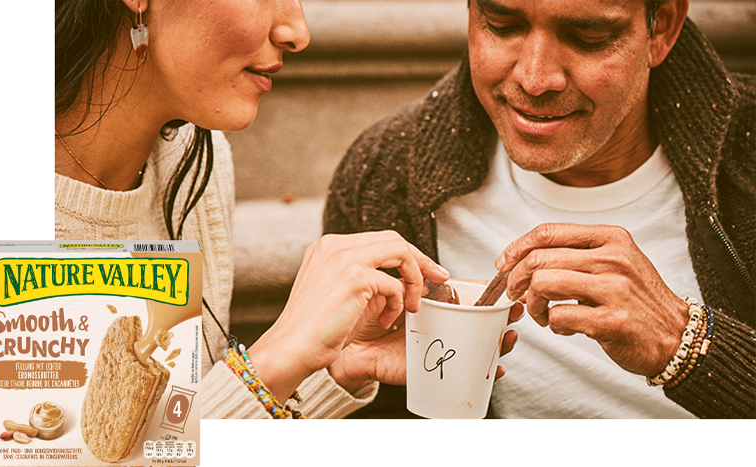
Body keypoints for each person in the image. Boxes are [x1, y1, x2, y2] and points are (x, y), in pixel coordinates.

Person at [54, 0, 520, 419]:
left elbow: (162, 439)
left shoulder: (196, 158)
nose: (298, 30)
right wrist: (275, 357)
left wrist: (332, 368)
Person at [325, 0, 755, 419]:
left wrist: (686, 345)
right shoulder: (388, 173)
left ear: (660, 28)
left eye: (588, 36)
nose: (535, 78)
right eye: (501, 24)